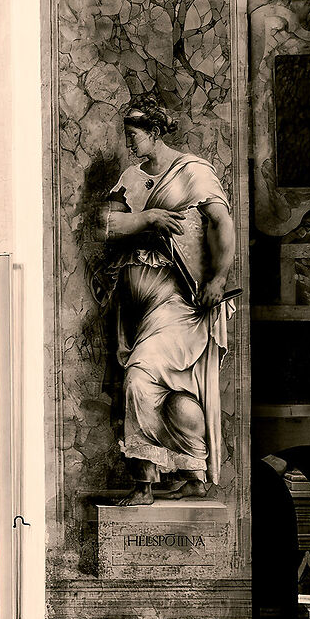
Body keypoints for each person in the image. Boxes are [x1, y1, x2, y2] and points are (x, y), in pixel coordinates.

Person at [98, 93, 234, 501]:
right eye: (127, 134)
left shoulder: (192, 171)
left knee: (139, 378)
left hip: (180, 304)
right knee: (174, 396)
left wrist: (219, 279)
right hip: (137, 310)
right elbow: (104, 225)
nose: (129, 142)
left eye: (134, 134)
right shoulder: (132, 177)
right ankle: (193, 474)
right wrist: (147, 218)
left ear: (155, 132)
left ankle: (144, 483)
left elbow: (221, 223)